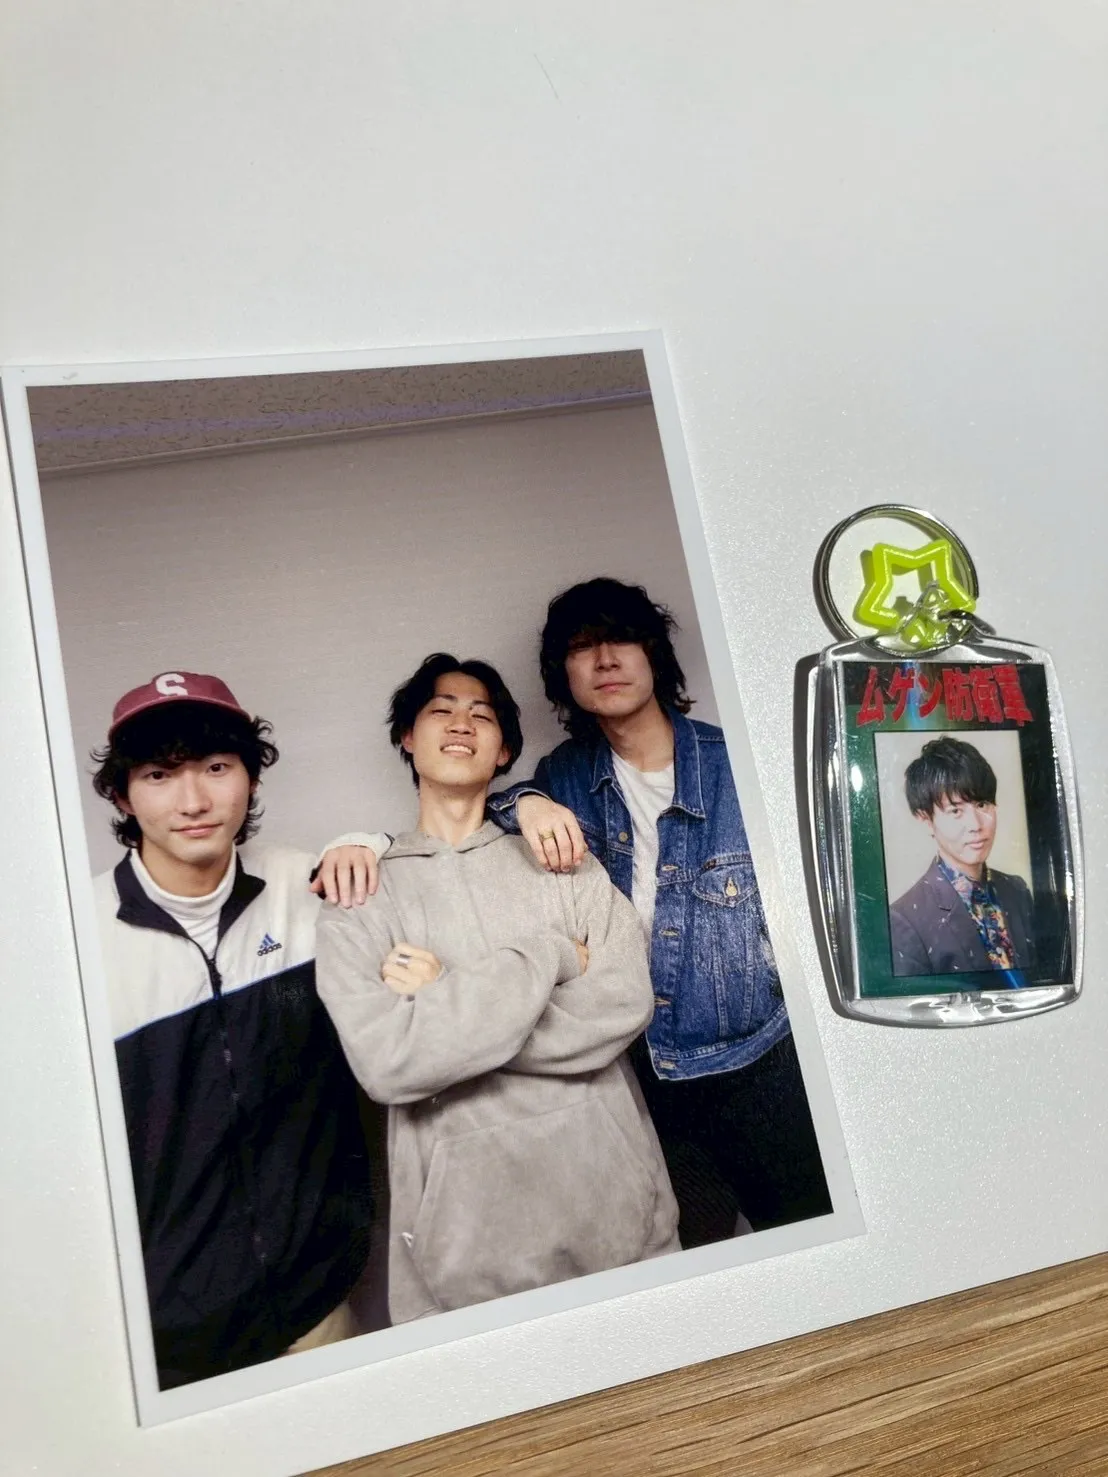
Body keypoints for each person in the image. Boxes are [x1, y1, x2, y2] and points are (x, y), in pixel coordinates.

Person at [315, 653, 679, 1325]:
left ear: (505, 748)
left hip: (624, 1227)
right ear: (408, 737)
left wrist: (447, 1003)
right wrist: (549, 957)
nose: (461, 723)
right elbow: (389, 1062)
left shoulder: (564, 860)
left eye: (481, 715)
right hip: (460, 1266)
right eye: (441, 710)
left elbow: (626, 1002)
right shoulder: (360, 892)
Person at [487, 578, 831, 1245]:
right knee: (683, 1265)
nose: (605, 660)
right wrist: (524, 802)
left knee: (812, 1239)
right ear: (564, 675)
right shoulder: (563, 776)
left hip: (758, 1064)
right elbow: (481, 814)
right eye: (582, 647)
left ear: (654, 654)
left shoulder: (740, 763)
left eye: (621, 639)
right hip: (638, 1072)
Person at [91, 670, 391, 1388]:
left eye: (217, 768)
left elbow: (414, 866)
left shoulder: (302, 884)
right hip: (169, 1332)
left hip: (316, 1296)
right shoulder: (77, 942)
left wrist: (368, 841)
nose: (193, 800)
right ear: (122, 795)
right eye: (159, 774)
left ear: (251, 779)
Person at [889, 736, 1034, 980]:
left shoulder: (1017, 890)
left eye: (982, 804)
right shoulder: (904, 920)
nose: (975, 825)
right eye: (956, 811)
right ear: (926, 820)